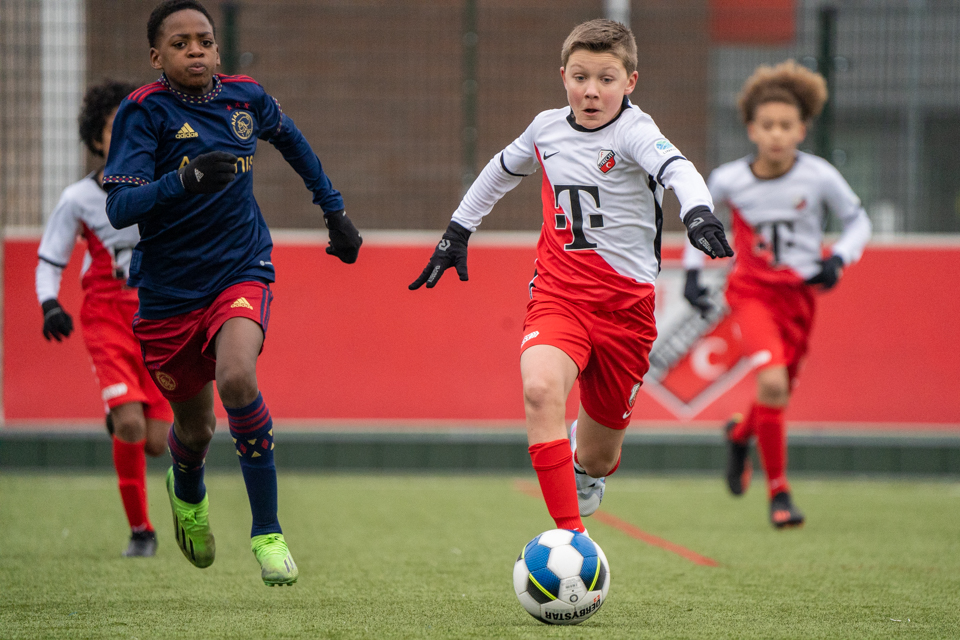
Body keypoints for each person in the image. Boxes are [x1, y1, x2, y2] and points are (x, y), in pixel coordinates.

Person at [410, 19, 732, 534]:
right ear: (563, 76)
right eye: (580, 77)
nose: (591, 90)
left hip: (627, 313)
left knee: (600, 457)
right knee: (540, 390)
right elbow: (498, 169)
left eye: (606, 78)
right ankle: (570, 539)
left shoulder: (635, 132)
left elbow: (680, 172)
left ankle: (586, 468)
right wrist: (457, 230)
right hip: (558, 298)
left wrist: (697, 212)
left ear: (630, 82)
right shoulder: (546, 129)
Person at [103, 0, 361, 585]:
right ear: (156, 57)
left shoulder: (245, 98)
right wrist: (182, 179)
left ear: (217, 48)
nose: (195, 50)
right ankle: (186, 488)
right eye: (180, 43)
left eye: (204, 40)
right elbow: (119, 206)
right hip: (168, 295)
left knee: (239, 377)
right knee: (194, 431)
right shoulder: (143, 112)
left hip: (240, 270)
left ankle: (267, 532)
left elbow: (293, 142)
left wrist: (335, 212)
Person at [682, 60, 871, 528]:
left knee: (777, 392)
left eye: (786, 126)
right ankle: (779, 493)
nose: (776, 135)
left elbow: (858, 221)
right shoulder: (729, 179)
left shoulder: (820, 176)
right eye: (767, 125)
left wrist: (839, 258)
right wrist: (692, 274)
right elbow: (698, 219)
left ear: (802, 129)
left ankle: (739, 436)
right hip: (751, 294)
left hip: (800, 300)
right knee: (771, 383)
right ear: (751, 129)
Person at [36, 80, 173, 558]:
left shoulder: (162, 185)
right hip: (106, 322)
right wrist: (49, 303)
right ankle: (142, 532)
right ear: (95, 138)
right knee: (133, 427)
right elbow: (50, 259)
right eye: (114, 128)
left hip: (158, 322)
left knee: (157, 442)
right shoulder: (78, 198)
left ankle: (121, 414)